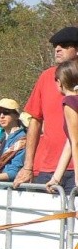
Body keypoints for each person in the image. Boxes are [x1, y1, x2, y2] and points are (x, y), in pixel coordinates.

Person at [13, 26, 78, 193]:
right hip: (48, 167)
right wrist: (28, 166)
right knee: (45, 219)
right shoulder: (46, 77)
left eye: (64, 45)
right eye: (56, 45)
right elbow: (35, 121)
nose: (57, 49)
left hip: (75, 170)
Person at [45, 60, 78, 193]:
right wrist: (56, 177)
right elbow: (70, 142)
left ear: (59, 82)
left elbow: (76, 142)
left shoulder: (70, 102)